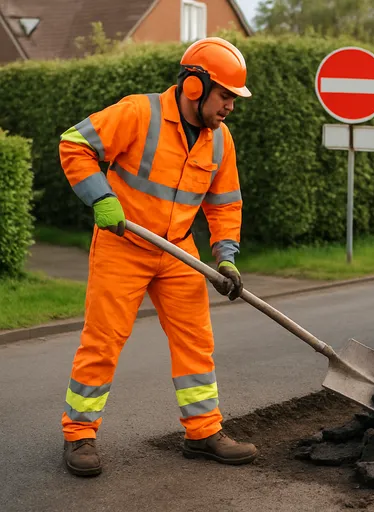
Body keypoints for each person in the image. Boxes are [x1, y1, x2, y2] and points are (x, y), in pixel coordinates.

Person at [57, 37, 258, 477]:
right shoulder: (138, 113)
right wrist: (100, 197)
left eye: (233, 99)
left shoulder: (220, 141)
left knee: (196, 345)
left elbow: (224, 204)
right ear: (194, 86)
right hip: (122, 245)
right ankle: (79, 434)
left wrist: (225, 258)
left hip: (179, 253)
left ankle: (203, 432)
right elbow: (74, 143)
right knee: (103, 341)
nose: (229, 107)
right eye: (225, 95)